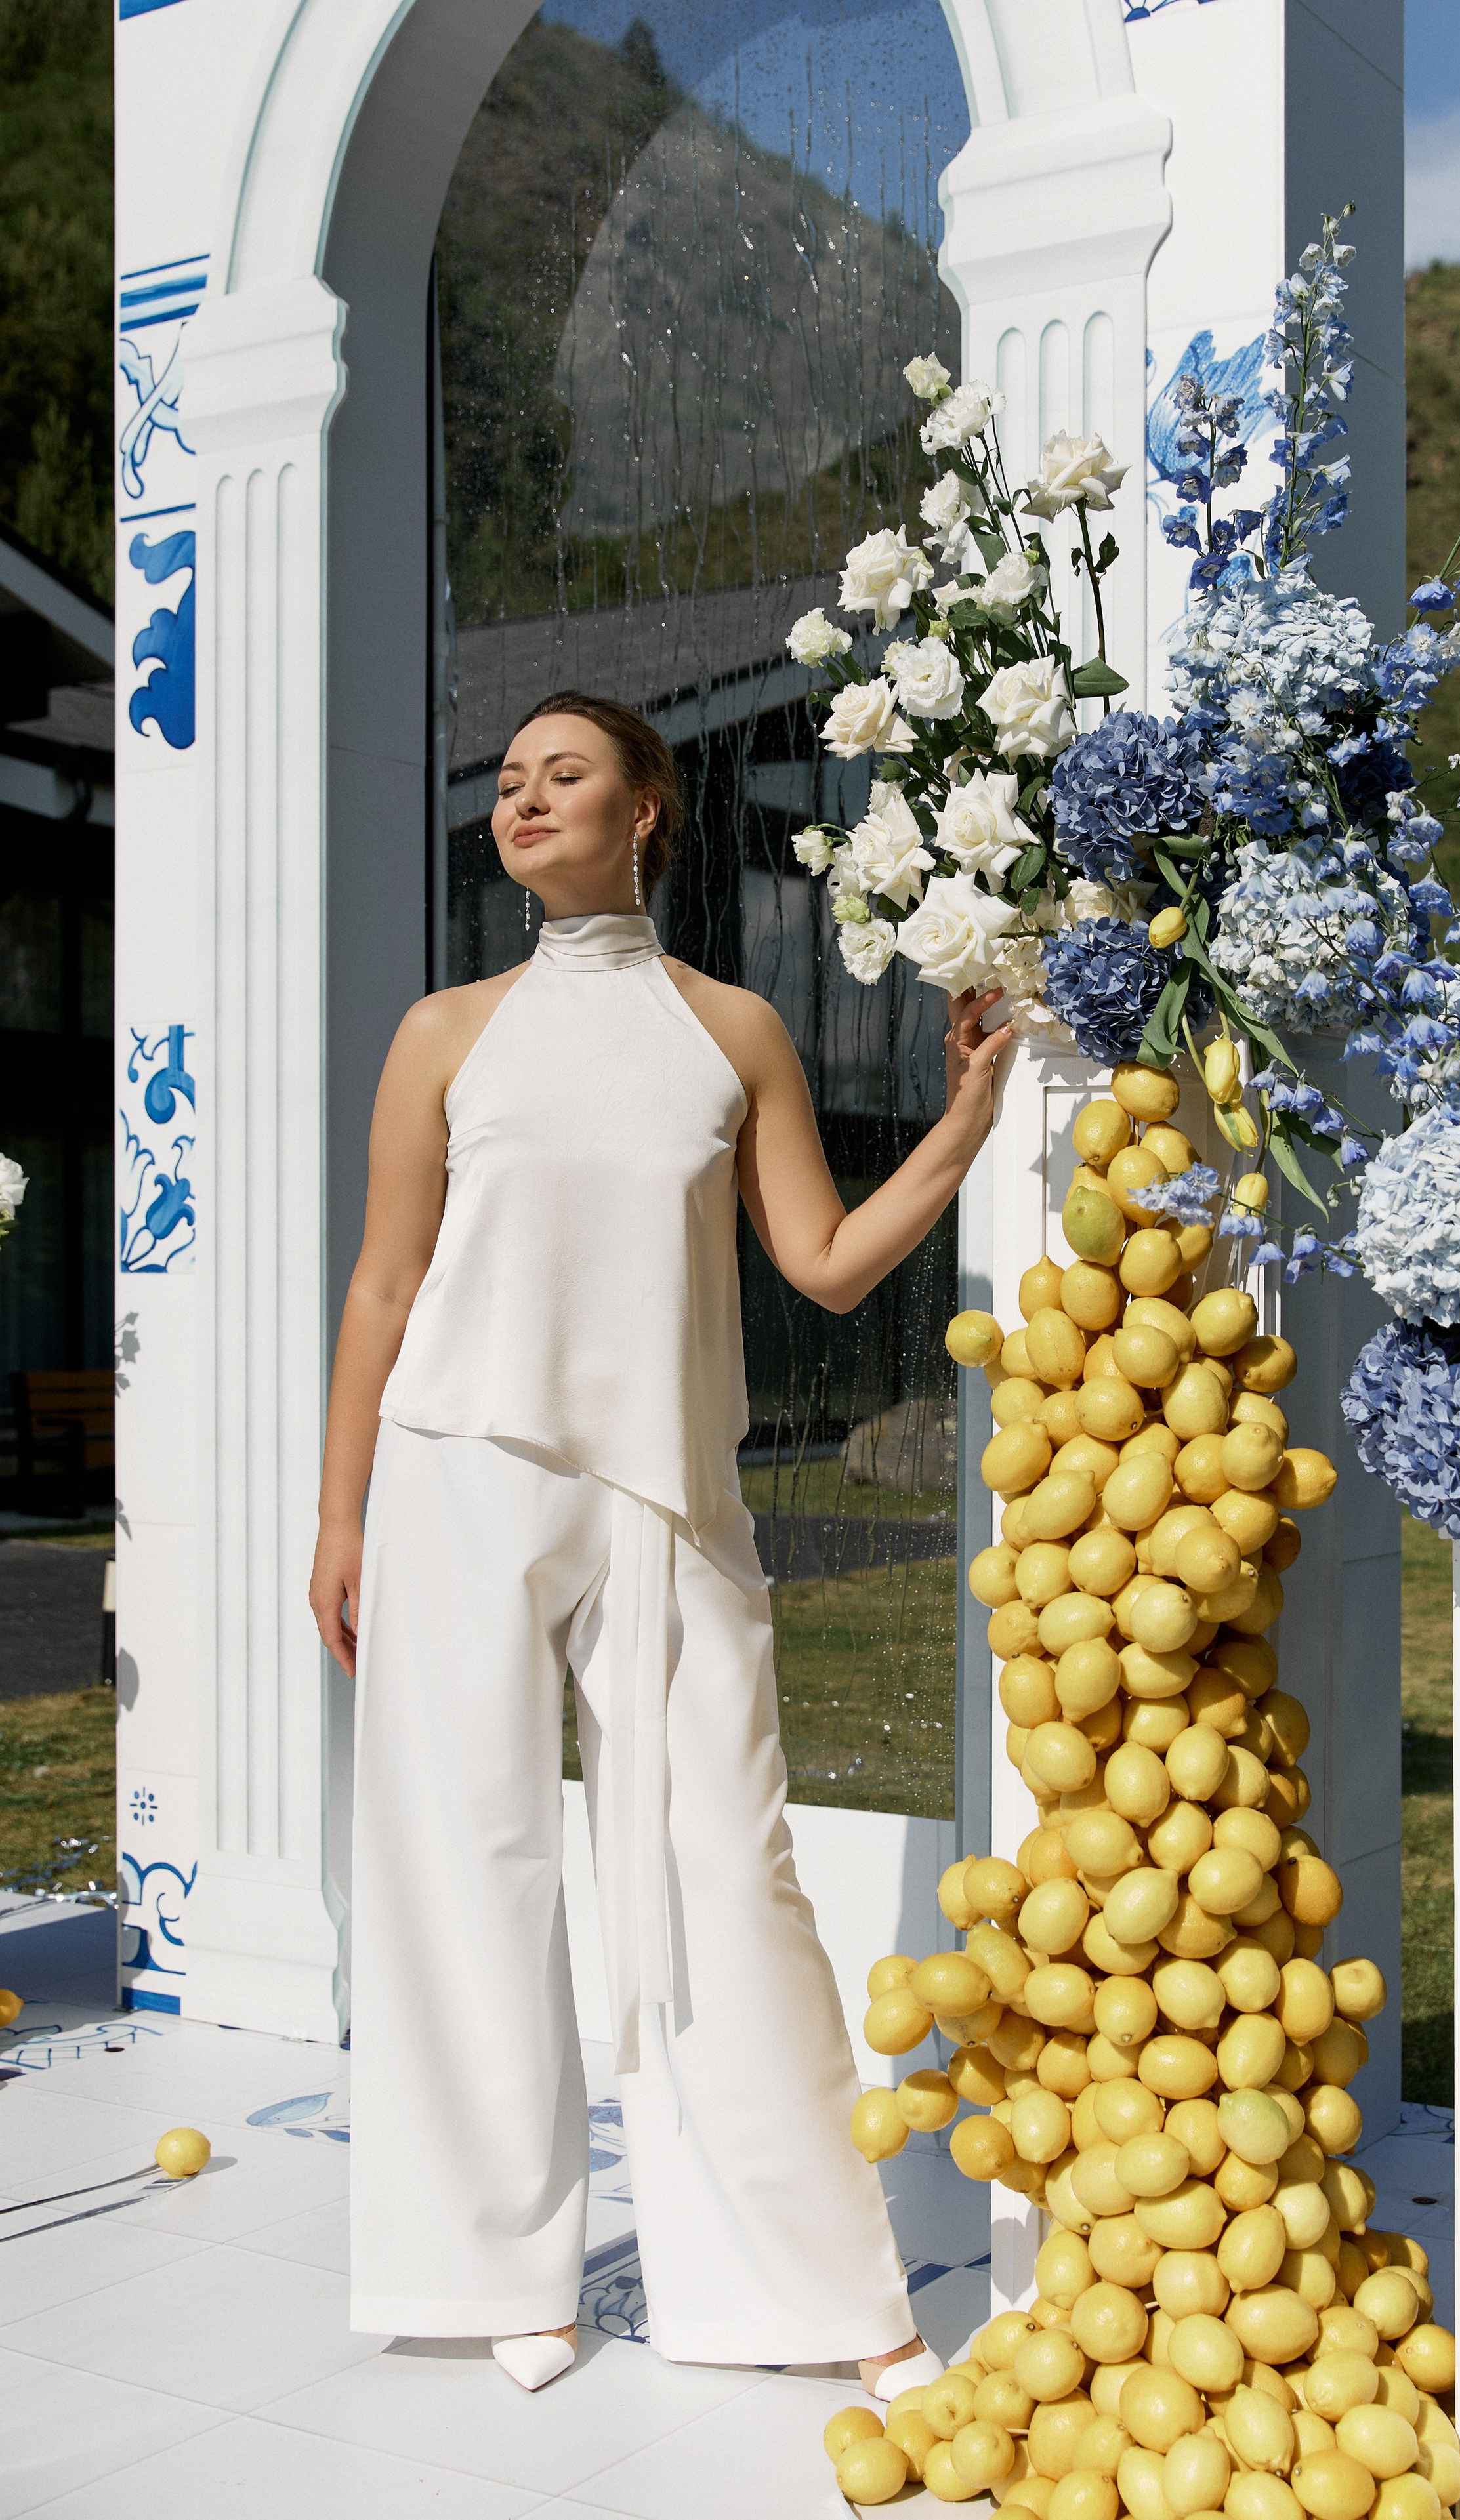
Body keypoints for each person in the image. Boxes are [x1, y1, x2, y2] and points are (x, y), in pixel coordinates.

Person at [310, 691, 1009, 2395]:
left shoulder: (735, 1030)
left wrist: (968, 1123)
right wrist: (339, 1509)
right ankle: (497, 2271)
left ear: (648, 811)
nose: (525, 798)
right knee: (466, 1861)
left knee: (727, 1876)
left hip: (671, 1496)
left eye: (566, 773)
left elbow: (830, 1261)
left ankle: (816, 2294)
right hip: (457, 1465)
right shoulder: (445, 1034)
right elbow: (389, 1284)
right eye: (509, 781)